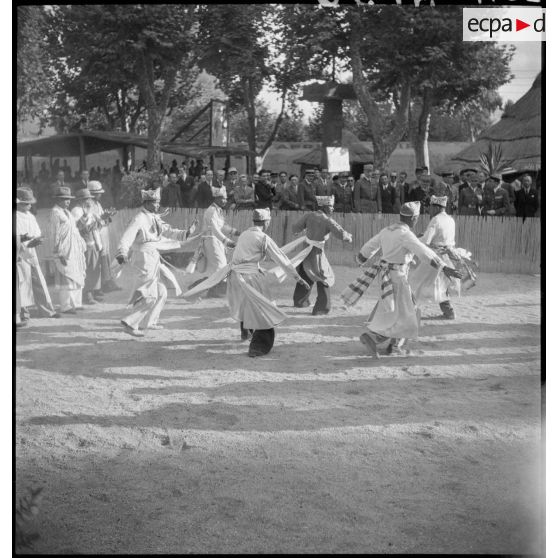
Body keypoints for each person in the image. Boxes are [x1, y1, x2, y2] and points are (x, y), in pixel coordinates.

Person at [183, 208, 309, 357]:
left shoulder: (244, 235)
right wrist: (298, 278)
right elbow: (281, 259)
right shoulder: (263, 238)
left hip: (234, 277)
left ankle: (246, 332)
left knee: (245, 304)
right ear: (266, 222)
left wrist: (257, 266)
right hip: (249, 277)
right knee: (263, 311)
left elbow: (240, 252)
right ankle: (258, 346)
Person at [342, 201, 462, 358]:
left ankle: (392, 344)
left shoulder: (387, 230)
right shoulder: (406, 234)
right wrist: (443, 267)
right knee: (405, 314)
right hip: (398, 277)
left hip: (385, 275)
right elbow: (424, 252)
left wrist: (360, 259)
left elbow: (370, 246)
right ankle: (375, 338)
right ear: (414, 218)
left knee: (392, 308)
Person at [115, 187, 197, 337]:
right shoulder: (139, 218)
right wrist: (122, 252)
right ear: (147, 203)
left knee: (162, 292)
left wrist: (187, 233)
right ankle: (130, 323)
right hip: (144, 258)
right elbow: (127, 236)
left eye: (158, 202)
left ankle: (150, 322)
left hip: (153, 256)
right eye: (155, 202)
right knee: (149, 294)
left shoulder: (153, 217)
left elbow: (167, 231)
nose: (158, 205)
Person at [409, 195, 474, 320]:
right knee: (442, 285)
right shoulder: (450, 219)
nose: (429, 210)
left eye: (430, 207)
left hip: (434, 258)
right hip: (447, 257)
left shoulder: (435, 220)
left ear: (435, 207)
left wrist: (415, 239)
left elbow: (426, 240)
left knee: (416, 282)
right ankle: (449, 312)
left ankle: (410, 311)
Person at [289, 195, 352, 315]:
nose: (333, 208)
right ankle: (322, 308)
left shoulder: (308, 215)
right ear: (324, 207)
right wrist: (349, 237)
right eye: (331, 206)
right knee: (323, 277)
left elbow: (295, 227)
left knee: (305, 273)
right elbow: (341, 235)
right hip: (317, 253)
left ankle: (300, 301)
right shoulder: (327, 220)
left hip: (306, 250)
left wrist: (300, 231)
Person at [16, 187, 60, 321]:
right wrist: (25, 243)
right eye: (26, 203)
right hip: (19, 253)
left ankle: (47, 309)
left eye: (30, 203)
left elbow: (36, 232)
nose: (29, 205)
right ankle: (23, 312)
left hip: (31, 252)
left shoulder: (30, 217)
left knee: (39, 280)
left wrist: (36, 240)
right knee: (22, 283)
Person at [193, 191, 240, 297]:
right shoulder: (211, 210)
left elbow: (222, 226)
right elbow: (214, 229)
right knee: (221, 266)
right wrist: (227, 241)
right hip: (211, 240)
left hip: (215, 240)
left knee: (215, 269)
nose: (225, 201)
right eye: (222, 198)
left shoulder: (218, 210)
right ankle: (197, 289)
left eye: (225, 198)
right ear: (216, 198)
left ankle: (207, 291)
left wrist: (236, 232)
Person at [47, 186, 87, 314]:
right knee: (66, 274)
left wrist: (81, 244)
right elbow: (54, 233)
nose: (67, 201)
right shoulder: (55, 213)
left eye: (69, 199)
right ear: (58, 199)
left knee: (76, 272)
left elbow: (74, 230)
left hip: (73, 247)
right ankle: (65, 305)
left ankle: (76, 303)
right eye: (64, 199)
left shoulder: (68, 213)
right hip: (63, 249)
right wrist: (58, 252)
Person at [71, 188, 104, 305]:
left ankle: (93, 292)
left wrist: (102, 220)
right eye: (86, 198)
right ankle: (87, 295)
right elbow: (78, 229)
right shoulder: (76, 211)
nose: (89, 200)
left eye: (89, 198)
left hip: (93, 242)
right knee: (87, 269)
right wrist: (89, 223)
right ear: (81, 200)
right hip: (84, 244)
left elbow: (96, 226)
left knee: (94, 268)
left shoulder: (89, 209)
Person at [87, 180, 120, 293]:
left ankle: (107, 282)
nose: (100, 195)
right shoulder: (89, 205)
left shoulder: (97, 203)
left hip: (103, 232)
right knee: (100, 260)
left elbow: (102, 217)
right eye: (97, 193)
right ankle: (101, 285)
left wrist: (108, 215)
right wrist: (103, 217)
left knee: (106, 257)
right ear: (92, 193)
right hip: (97, 234)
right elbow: (93, 221)